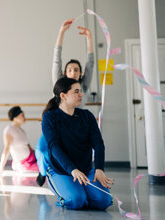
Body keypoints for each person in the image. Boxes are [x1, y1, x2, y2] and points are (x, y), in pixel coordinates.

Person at [35, 18, 95, 185]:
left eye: (76, 70)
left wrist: (89, 38)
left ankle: (76, 175)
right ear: (65, 72)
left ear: (80, 73)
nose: (73, 72)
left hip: (76, 128)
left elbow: (91, 64)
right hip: (58, 124)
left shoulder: (83, 85)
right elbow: (56, 59)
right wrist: (61, 32)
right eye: (69, 69)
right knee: (42, 148)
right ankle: (43, 172)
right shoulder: (59, 82)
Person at [41, 77, 114, 210]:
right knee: (76, 201)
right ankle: (68, 192)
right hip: (61, 171)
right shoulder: (50, 117)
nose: (81, 95)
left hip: (85, 171)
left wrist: (99, 169)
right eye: (76, 91)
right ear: (63, 95)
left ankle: (83, 192)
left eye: (81, 91)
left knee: (104, 201)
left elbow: (98, 144)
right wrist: (72, 170)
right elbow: (54, 147)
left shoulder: (87, 116)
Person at [0, 106, 39, 173]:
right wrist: (1, 168)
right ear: (15, 117)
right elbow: (6, 148)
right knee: (45, 169)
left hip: (31, 158)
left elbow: (28, 146)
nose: (24, 118)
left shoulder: (22, 130)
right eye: (22, 115)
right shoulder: (9, 129)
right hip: (24, 164)